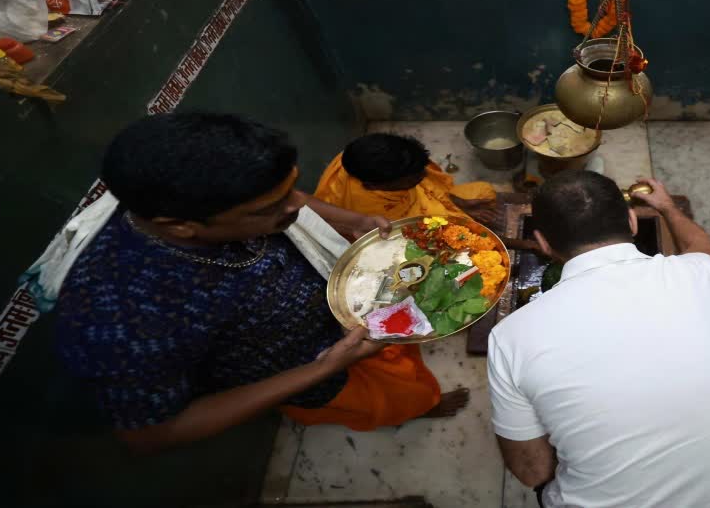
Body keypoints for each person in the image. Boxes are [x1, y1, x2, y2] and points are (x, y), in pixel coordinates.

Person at [56, 113, 467, 453]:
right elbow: (152, 433)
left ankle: (418, 398)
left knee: (407, 371)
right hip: (317, 375)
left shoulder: (211, 195)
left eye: (291, 189)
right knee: (389, 401)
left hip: (346, 315)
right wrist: (326, 367)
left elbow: (288, 200)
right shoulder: (121, 321)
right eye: (273, 207)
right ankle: (414, 408)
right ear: (179, 226)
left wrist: (353, 221)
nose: (297, 208)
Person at [488, 171, 710, 508]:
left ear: (542, 243)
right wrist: (668, 208)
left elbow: (532, 471)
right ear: (632, 221)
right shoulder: (704, 274)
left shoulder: (510, 337)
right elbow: (699, 245)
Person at [314, 132, 500, 225]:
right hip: (403, 232)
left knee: (484, 192)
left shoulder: (369, 157)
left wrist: (462, 204)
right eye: (414, 178)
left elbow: (431, 187)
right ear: (374, 185)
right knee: (459, 232)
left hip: (419, 201)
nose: (425, 176)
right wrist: (523, 244)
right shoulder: (374, 214)